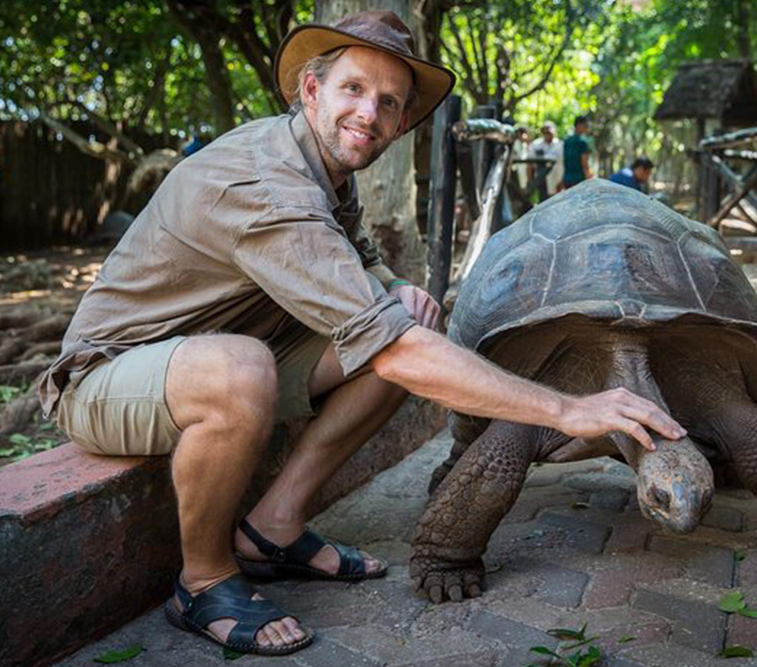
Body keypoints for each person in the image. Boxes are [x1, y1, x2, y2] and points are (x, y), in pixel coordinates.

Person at [39, 10, 686, 657]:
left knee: (395, 328)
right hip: (106, 374)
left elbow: (365, 258)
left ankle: (273, 527)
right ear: (312, 91)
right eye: (353, 89)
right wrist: (569, 408)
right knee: (287, 364)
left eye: (387, 102)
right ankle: (203, 579)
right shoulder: (266, 184)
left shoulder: (329, 172)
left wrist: (391, 285)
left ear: (401, 123)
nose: (368, 113)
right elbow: (397, 350)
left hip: (226, 348)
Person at [527, 120, 563, 200]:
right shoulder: (536, 145)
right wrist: (530, 181)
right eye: (545, 132)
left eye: (549, 132)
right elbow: (530, 163)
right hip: (541, 179)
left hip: (557, 178)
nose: (548, 134)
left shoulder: (560, 145)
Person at [561, 115, 593, 190]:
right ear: (579, 125)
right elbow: (584, 162)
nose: (587, 128)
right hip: (580, 179)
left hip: (567, 179)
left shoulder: (567, 141)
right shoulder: (583, 142)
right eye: (586, 126)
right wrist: (588, 177)